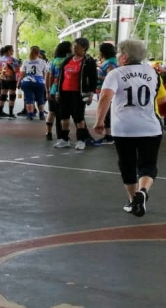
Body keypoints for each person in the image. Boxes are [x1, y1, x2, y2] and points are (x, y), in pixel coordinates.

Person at [94, 39, 165, 217]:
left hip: (124, 129)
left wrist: (99, 121)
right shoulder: (153, 73)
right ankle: (143, 192)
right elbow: (162, 100)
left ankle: (133, 200)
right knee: (148, 165)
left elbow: (105, 98)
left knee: (127, 164)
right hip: (150, 127)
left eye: (119, 53)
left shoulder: (116, 74)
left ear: (125, 56)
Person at [56, 37, 98, 150]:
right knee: (64, 117)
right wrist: (57, 92)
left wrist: (90, 94)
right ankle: (64, 139)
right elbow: (61, 76)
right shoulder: (68, 59)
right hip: (65, 91)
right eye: (73, 46)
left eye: (77, 47)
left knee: (79, 117)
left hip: (78, 93)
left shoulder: (88, 61)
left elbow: (93, 79)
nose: (74, 48)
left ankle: (81, 140)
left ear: (84, 48)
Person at [96, 43, 119, 145]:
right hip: (111, 91)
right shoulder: (114, 61)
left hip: (106, 90)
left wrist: (98, 77)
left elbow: (110, 76)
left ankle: (108, 135)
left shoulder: (110, 63)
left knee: (107, 112)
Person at [19, 46, 49, 121]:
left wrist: (18, 82)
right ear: (38, 52)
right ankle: (41, 115)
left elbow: (22, 73)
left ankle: (30, 115)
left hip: (27, 82)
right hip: (39, 82)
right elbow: (46, 72)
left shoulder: (26, 61)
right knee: (40, 98)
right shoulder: (42, 61)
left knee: (29, 99)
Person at [0, 45, 18, 119]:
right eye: (12, 50)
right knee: (12, 96)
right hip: (11, 79)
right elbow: (16, 70)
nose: (13, 51)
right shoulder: (12, 59)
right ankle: (11, 114)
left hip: (3, 79)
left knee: (3, 95)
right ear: (8, 51)